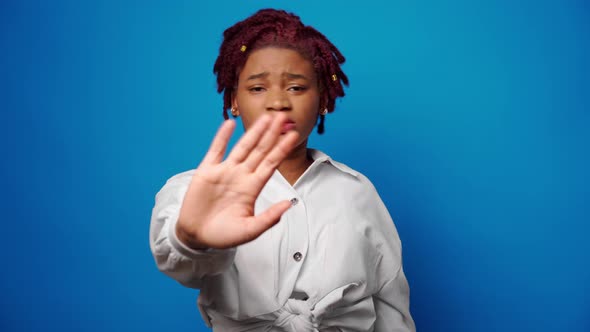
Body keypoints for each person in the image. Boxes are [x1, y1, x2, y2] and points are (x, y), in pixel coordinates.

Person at [150, 8, 415, 331]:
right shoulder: (195, 190)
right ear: (234, 100)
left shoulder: (356, 191)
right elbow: (179, 263)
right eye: (258, 88)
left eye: (296, 87)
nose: (277, 102)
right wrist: (190, 238)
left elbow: (390, 302)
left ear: (324, 101)